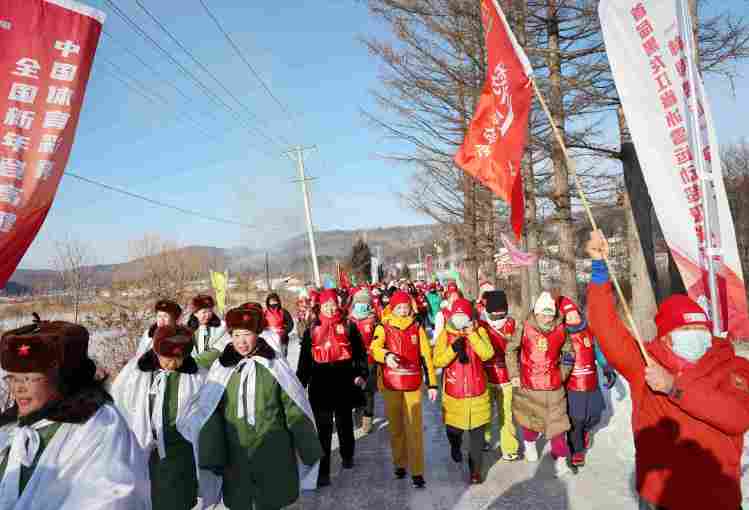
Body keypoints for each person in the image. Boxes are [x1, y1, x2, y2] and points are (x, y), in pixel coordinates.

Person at [585, 230, 749, 510]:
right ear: (666, 338)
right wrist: (600, 269)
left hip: (718, 499)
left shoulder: (734, 366)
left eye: (700, 329)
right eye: (686, 330)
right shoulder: (645, 363)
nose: (695, 335)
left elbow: (737, 417)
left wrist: (674, 386)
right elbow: (606, 328)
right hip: (660, 498)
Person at [179, 305, 322, 509]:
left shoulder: (273, 365)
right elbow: (210, 412)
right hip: (236, 451)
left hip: (273, 448)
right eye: (236, 335)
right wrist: (212, 454)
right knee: (242, 500)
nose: (241, 341)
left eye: (247, 334)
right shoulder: (222, 367)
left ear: (257, 333)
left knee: (271, 500)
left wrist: (308, 446)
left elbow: (294, 407)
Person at [0, 321, 150, 508]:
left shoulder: (100, 426)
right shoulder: (11, 428)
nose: (18, 388)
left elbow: (112, 498)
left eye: (28, 378)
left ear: (63, 378)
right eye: (12, 378)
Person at [112, 325, 206, 510]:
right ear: (157, 352)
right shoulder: (136, 372)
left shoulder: (197, 376)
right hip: (144, 450)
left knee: (178, 500)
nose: (172, 364)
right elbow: (119, 401)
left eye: (178, 359)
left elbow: (203, 410)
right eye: (167, 359)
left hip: (180, 452)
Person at [296, 289, 368, 488]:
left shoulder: (348, 325)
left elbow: (360, 353)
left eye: (333, 304)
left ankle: (347, 455)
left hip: (344, 378)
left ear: (338, 305)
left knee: (344, 422)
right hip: (320, 381)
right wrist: (300, 383)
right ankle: (323, 471)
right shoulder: (312, 328)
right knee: (323, 428)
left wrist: (361, 374)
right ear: (320, 306)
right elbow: (305, 360)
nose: (330, 308)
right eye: (326, 305)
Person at [370, 290, 438, 489]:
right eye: (398, 307)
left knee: (414, 428)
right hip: (391, 384)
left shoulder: (417, 327)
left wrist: (432, 383)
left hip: (412, 384)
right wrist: (386, 356)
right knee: (396, 427)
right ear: (392, 308)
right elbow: (374, 349)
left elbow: (426, 356)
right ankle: (399, 463)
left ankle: (417, 471)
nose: (402, 310)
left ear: (410, 308)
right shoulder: (383, 326)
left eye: (405, 307)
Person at [505, 291, 575, 476]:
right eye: (543, 314)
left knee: (557, 425)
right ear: (536, 313)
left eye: (550, 314)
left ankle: (561, 460)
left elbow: (569, 353)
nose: (547, 318)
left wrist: (562, 374)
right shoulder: (525, 327)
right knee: (530, 421)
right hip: (529, 385)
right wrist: (514, 374)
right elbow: (511, 350)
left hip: (554, 387)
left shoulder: (561, 329)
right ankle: (529, 445)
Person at [433, 298, 494, 484]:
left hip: (477, 392)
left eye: (464, 316)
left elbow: (488, 354)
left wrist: (472, 335)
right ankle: (455, 446)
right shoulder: (445, 335)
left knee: (477, 437)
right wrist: (452, 349)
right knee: (454, 431)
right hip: (454, 393)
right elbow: (437, 361)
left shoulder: (480, 331)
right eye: (457, 316)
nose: (460, 320)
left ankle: (475, 471)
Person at [557, 295, 616, 470]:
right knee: (576, 420)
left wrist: (607, 368)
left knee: (595, 416)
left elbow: (598, 352)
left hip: (591, 382)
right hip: (573, 385)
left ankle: (586, 431)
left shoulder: (589, 331)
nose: (573, 318)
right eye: (569, 316)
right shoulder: (561, 335)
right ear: (564, 319)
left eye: (575, 314)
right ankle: (577, 451)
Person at [477, 290, 520, 461]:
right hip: (485, 376)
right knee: (485, 412)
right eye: (495, 313)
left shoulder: (512, 324)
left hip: (506, 378)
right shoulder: (480, 324)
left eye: (501, 313)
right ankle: (484, 439)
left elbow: (518, 349)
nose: (498, 316)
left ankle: (509, 447)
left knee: (506, 414)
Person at [349, 289, 379, 435]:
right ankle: (358, 415)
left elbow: (379, 340)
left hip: (370, 360)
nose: (362, 305)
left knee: (368, 391)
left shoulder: (374, 320)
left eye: (364, 302)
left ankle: (367, 420)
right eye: (359, 302)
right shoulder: (349, 320)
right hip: (353, 362)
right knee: (355, 389)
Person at [264, 292, 295, 358]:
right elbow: (262, 324)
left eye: (275, 301)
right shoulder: (265, 312)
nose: (273, 303)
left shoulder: (283, 311)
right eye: (271, 301)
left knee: (282, 357)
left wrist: (285, 331)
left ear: (278, 301)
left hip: (282, 339)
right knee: (271, 358)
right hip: (269, 339)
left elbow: (290, 323)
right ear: (268, 302)